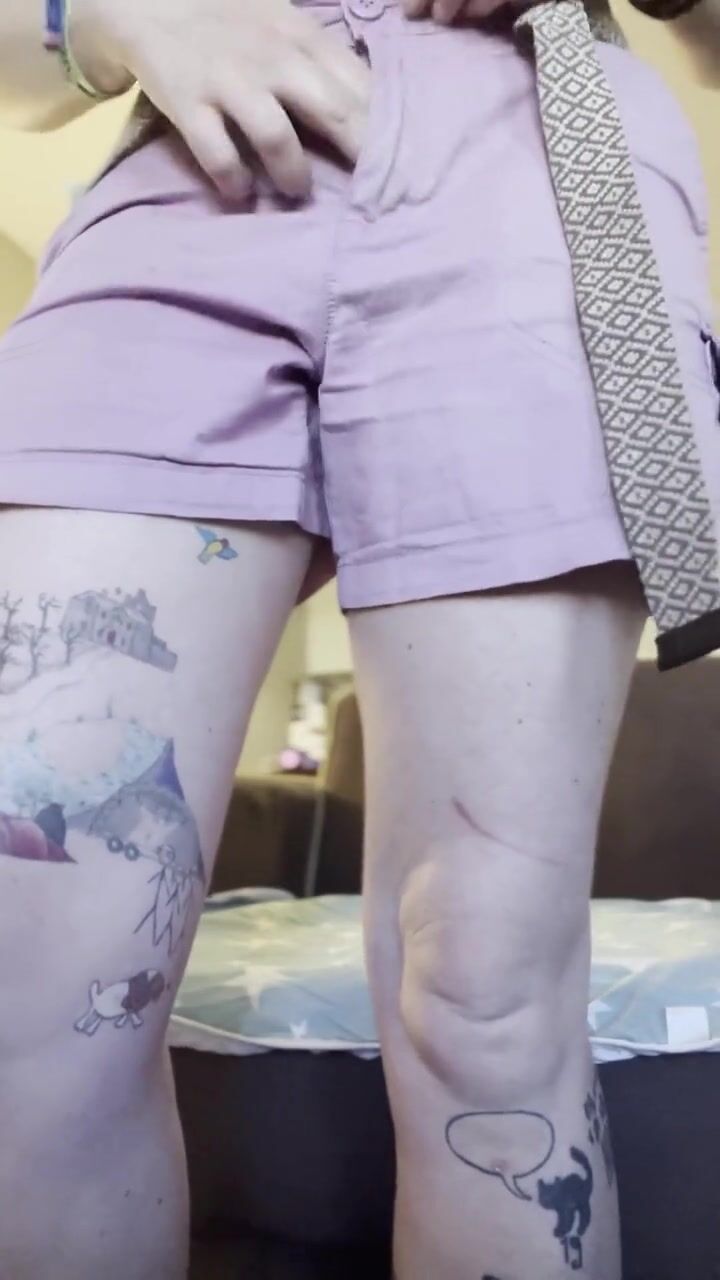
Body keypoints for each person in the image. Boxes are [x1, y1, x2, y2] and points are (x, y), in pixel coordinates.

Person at [0, 0, 718, 1277]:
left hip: (536, 156)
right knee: (28, 962)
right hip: (185, 165)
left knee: (484, 992)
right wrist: (114, 15)